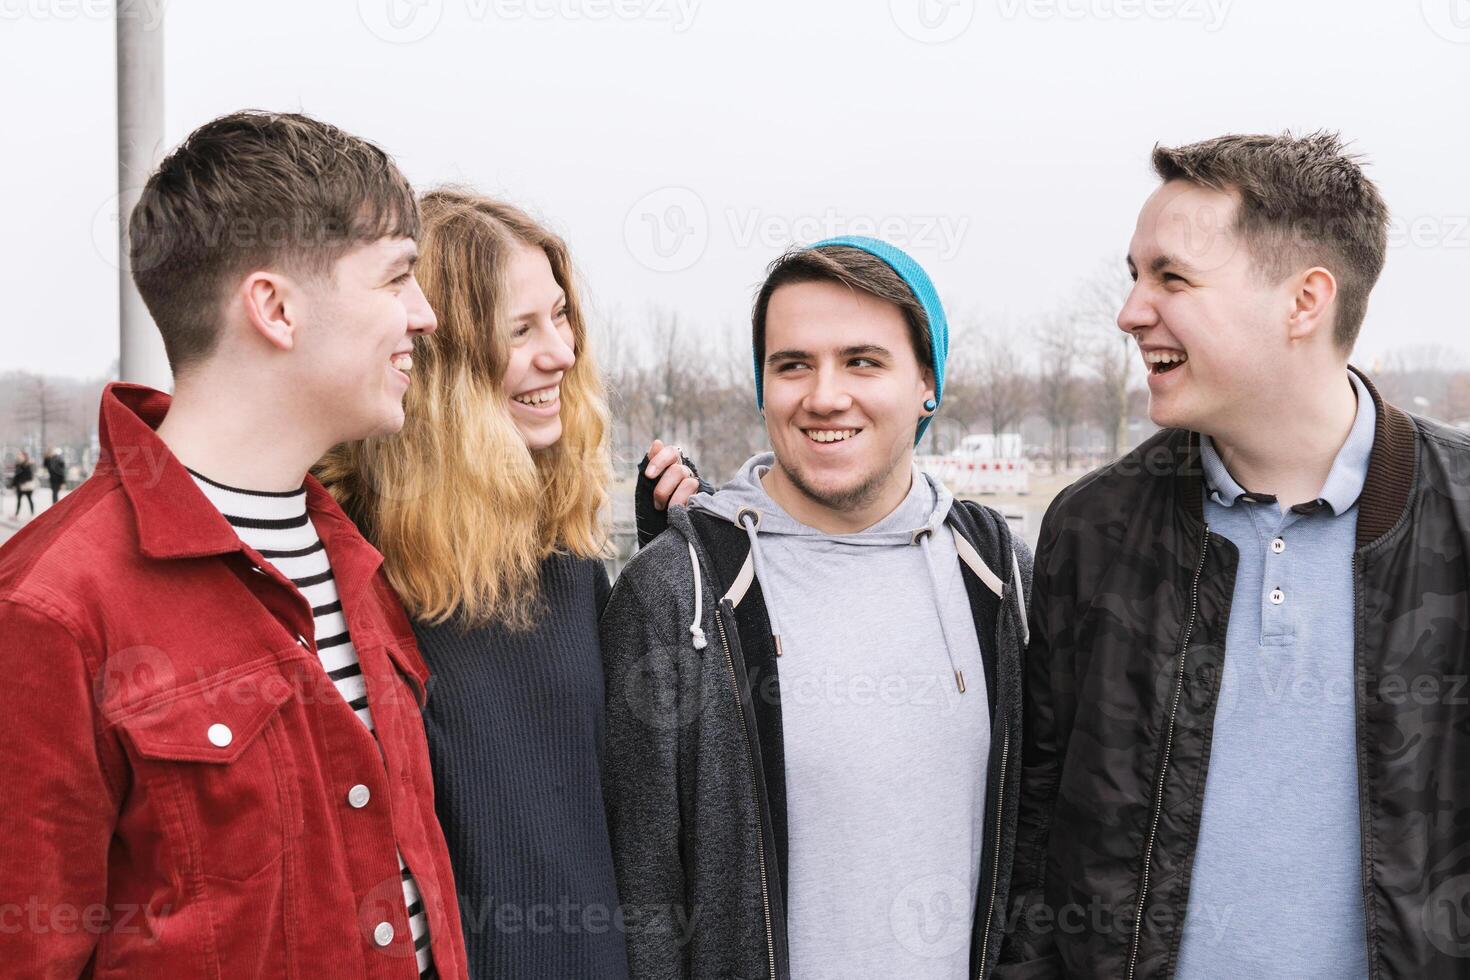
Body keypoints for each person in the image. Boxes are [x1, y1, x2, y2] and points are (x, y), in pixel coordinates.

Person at [0, 110, 469, 978]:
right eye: (396, 278)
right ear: (276, 309)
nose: (425, 316)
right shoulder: (49, 608)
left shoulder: (356, 564)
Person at [998, 132, 1470, 979]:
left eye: (1171, 277)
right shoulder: (1090, 528)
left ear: (1304, 302)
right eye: (1134, 275)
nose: (1131, 311)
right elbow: (1036, 843)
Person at [601, 237, 1032, 980]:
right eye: (792, 364)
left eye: (863, 361)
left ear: (928, 383)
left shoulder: (1002, 576)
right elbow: (644, 900)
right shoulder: (679, 591)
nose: (825, 395)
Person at [315, 187, 698, 979]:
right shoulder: (348, 565)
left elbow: (623, 797)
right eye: (521, 330)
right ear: (438, 357)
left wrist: (667, 586)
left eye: (560, 317)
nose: (560, 351)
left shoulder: (566, 559)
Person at [9, 450, 36, 516]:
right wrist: (13, 484)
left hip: (26, 485)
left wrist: (22, 481)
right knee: (19, 500)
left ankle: (32, 513)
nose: (19, 457)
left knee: (29, 499)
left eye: (21, 456)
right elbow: (16, 475)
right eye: (19, 455)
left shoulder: (28, 465)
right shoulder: (18, 465)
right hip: (19, 485)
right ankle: (17, 514)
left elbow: (29, 476)